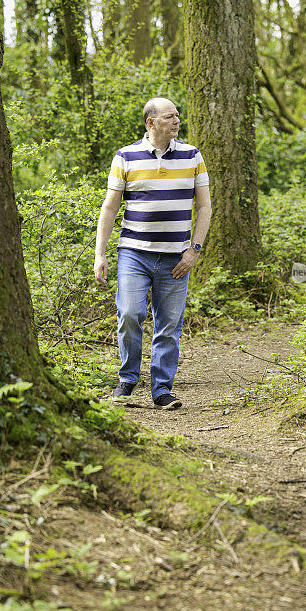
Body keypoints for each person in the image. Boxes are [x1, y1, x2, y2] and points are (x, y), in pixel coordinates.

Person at [94, 97, 212, 409]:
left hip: (176, 257)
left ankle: (162, 390)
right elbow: (110, 206)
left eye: (177, 116)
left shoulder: (192, 156)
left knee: (169, 324)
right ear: (151, 123)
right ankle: (128, 379)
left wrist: (194, 251)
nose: (176, 121)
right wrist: (100, 253)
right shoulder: (126, 156)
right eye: (169, 117)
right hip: (134, 253)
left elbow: (204, 207)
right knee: (130, 313)